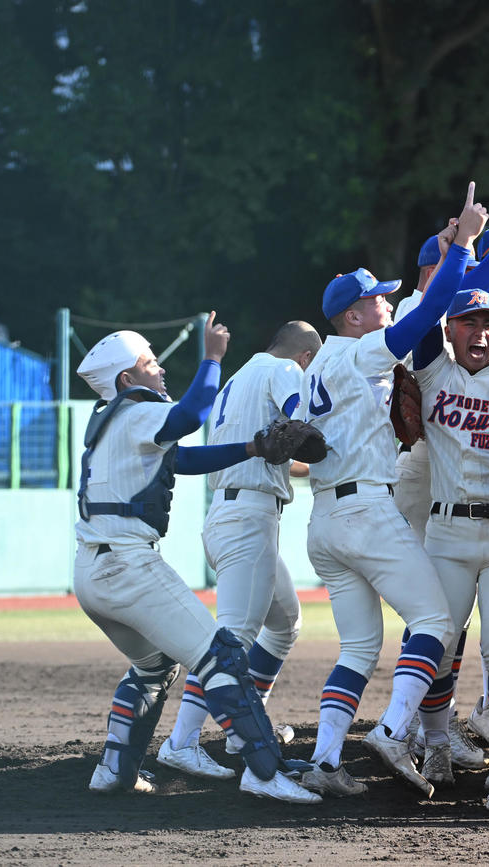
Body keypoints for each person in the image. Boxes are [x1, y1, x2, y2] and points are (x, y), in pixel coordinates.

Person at [297, 183, 489, 798]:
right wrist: (462, 246)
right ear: (353, 316)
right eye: (376, 301)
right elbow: (428, 315)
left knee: (357, 649)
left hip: (324, 516)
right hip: (367, 507)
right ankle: (397, 729)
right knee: (433, 621)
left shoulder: (319, 363)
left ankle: (325, 760)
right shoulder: (357, 355)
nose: (385, 306)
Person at [73, 317, 320, 804]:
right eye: (149, 362)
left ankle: (114, 771)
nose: (159, 368)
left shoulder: (111, 418)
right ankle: (265, 772)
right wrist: (211, 357)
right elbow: (190, 417)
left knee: (153, 666)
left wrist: (252, 447)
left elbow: (181, 460)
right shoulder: (138, 409)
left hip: (89, 571)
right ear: (127, 379)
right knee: (222, 655)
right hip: (127, 564)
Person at [157, 321, 325, 787]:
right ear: (305, 357)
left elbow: (273, 452)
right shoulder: (287, 370)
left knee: (285, 622)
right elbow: (300, 425)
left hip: (234, 513)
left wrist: (313, 468)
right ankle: (182, 741)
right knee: (229, 643)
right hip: (248, 517)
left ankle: (242, 730)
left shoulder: (240, 378)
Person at [410, 288, 489, 791]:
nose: (480, 332)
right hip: (447, 529)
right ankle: (436, 745)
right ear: (449, 329)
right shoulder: (434, 371)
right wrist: (457, 253)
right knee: (438, 646)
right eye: (468, 322)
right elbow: (424, 311)